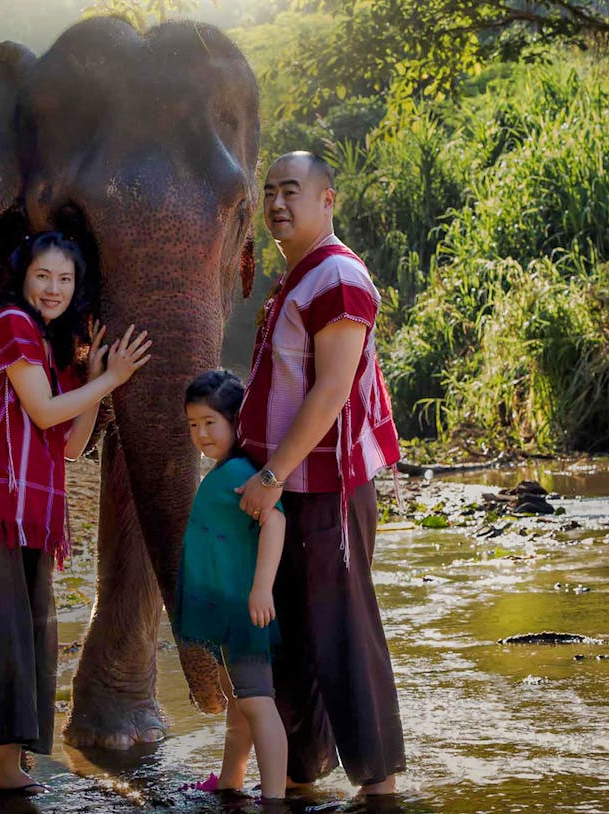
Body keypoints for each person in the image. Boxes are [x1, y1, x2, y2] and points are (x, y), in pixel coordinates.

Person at [0, 232, 151, 809]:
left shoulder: (46, 351)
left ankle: (8, 766)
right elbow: (43, 410)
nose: (53, 289)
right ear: (21, 279)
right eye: (43, 276)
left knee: (30, 638)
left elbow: (70, 444)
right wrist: (112, 379)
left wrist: (94, 379)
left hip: (27, 517)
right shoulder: (9, 325)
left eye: (65, 280)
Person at [234, 151, 406, 795]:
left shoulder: (335, 276)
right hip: (290, 495)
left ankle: (380, 786)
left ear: (328, 200)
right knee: (294, 638)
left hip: (325, 490)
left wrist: (271, 475)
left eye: (293, 191)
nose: (278, 203)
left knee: (343, 633)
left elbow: (332, 389)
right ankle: (302, 777)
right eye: (270, 192)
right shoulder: (298, 279)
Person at [173, 369, 289, 800]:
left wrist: (262, 588)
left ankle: (274, 798)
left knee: (257, 702)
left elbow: (274, 521)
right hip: (227, 611)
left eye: (210, 423)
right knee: (238, 702)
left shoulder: (242, 472)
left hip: (246, 611)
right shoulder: (225, 471)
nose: (201, 434)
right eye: (193, 425)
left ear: (237, 423)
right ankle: (230, 781)